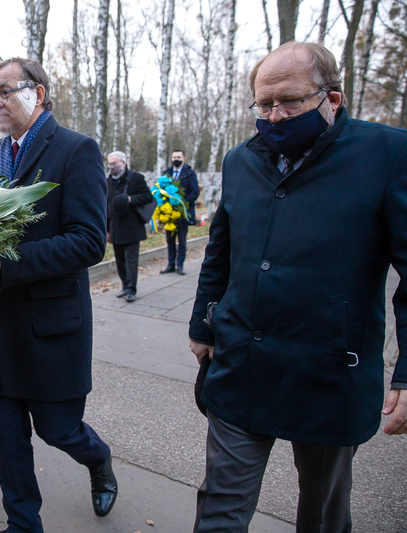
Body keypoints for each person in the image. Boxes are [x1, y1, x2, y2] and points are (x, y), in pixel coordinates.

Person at [188, 41, 407, 532]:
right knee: (220, 509)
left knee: (324, 514)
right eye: (264, 104)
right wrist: (202, 322)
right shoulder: (239, 161)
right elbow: (220, 251)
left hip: (330, 376)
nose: (275, 115)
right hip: (241, 366)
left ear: (333, 98)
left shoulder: (389, 154)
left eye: (289, 101)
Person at [0, 58, 117, 533]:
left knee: (59, 430)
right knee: (8, 436)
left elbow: (87, 241)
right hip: (1, 324)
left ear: (37, 94)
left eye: (4, 90)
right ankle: (22, 525)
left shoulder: (77, 150)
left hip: (51, 324)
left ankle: (98, 459)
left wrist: (6, 266)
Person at [106, 151, 153, 303]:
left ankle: (132, 289)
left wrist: (130, 199)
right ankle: (125, 286)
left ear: (123, 163)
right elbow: (106, 207)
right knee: (120, 260)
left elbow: (147, 197)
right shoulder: (108, 182)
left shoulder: (136, 178)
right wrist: (106, 229)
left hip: (132, 227)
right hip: (115, 227)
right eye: (110, 164)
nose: (112, 167)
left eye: (115, 163)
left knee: (131, 260)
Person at [160, 149, 199, 275]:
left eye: (178, 157)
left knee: (181, 241)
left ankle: (180, 265)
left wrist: (181, 202)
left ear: (183, 158)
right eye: (174, 157)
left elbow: (195, 192)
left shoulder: (189, 174)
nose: (176, 159)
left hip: (183, 212)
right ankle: (170, 264)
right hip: (169, 213)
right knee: (170, 240)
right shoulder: (167, 173)